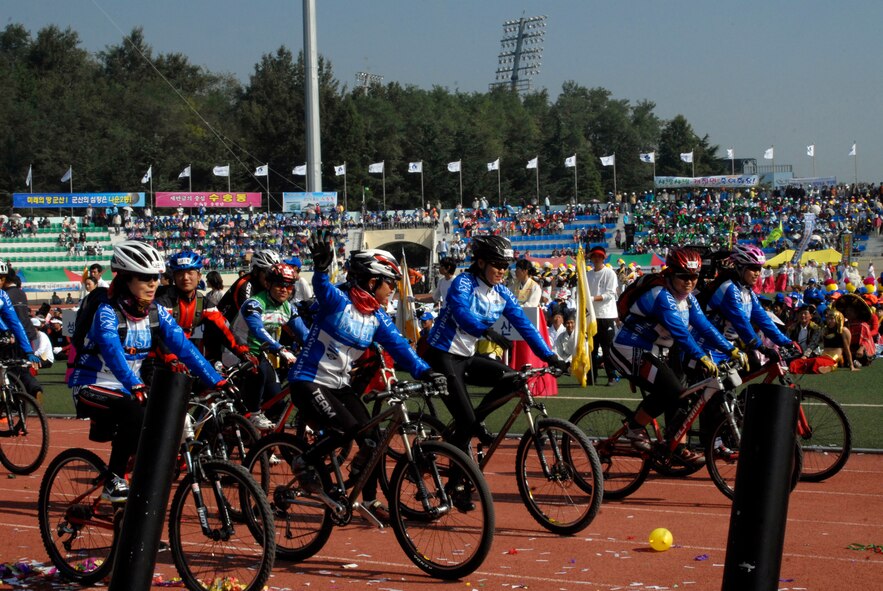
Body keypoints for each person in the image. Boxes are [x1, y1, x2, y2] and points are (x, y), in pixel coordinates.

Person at [287, 235, 444, 516]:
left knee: (373, 440)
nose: (393, 291)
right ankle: (303, 461)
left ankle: (367, 499)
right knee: (346, 429)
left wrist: (427, 371)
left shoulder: (377, 316)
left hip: (339, 386)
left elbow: (398, 346)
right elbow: (322, 289)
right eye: (390, 284)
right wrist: (321, 269)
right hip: (308, 380)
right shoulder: (339, 302)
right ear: (372, 282)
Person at [68, 241, 234, 502]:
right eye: (144, 278)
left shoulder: (156, 312)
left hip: (129, 388)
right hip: (91, 385)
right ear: (124, 279)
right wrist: (135, 384)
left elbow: (184, 347)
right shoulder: (107, 312)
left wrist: (217, 380)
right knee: (136, 410)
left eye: (156, 277)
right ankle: (113, 479)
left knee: (160, 417)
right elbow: (112, 352)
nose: (153, 284)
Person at [425, 235, 567, 452]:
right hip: (442, 355)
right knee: (466, 422)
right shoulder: (462, 282)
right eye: (497, 265)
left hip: (466, 357)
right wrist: (485, 331)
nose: (502, 270)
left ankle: (475, 421)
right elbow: (460, 311)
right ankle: (457, 480)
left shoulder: (502, 292)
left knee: (513, 380)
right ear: (481, 263)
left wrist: (550, 356)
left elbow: (526, 326)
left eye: (505, 266)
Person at [611, 248, 743, 467]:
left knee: (681, 394)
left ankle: (675, 446)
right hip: (629, 348)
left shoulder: (688, 299)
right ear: (671, 273)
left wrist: (731, 349)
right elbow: (681, 333)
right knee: (672, 391)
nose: (690, 282)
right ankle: (634, 429)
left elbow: (705, 327)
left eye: (694, 277)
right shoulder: (661, 296)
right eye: (683, 277)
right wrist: (701, 357)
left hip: (654, 351)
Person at [229, 263, 309, 429]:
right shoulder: (255, 303)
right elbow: (257, 330)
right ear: (268, 284)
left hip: (263, 353)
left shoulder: (288, 307)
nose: (284, 290)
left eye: (289, 286)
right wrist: (280, 349)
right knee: (259, 371)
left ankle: (265, 447)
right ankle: (253, 414)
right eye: (279, 284)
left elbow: (305, 334)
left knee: (277, 402)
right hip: (237, 351)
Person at [154, 250, 253, 373]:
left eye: (190, 272)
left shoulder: (204, 303)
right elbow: (158, 336)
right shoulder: (162, 302)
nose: (185, 278)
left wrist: (243, 351)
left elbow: (225, 330)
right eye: (180, 273)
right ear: (174, 277)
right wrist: (171, 358)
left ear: (199, 276)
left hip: (185, 358)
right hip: (157, 361)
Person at [700, 244, 795, 365]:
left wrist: (786, 342)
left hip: (728, 346)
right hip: (708, 346)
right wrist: (762, 348)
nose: (757, 273)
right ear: (740, 267)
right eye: (753, 268)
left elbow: (763, 318)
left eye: (759, 269)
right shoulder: (729, 288)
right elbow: (741, 322)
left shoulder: (747, 290)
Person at [586, 246, 620, 385]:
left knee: (607, 349)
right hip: (592, 316)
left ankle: (611, 375)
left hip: (606, 315)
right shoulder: (588, 275)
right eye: (594, 256)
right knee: (592, 348)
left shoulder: (609, 273)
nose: (597, 259)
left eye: (599, 256)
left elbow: (610, 294)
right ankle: (591, 376)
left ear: (603, 258)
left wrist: (592, 298)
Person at [789, 309, 857, 374]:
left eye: (832, 318)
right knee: (799, 362)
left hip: (835, 357)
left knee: (817, 362)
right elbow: (814, 342)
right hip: (823, 356)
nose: (829, 321)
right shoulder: (823, 330)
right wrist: (806, 355)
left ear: (838, 319)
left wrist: (851, 365)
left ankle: (831, 367)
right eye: (827, 318)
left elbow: (847, 348)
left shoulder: (844, 330)